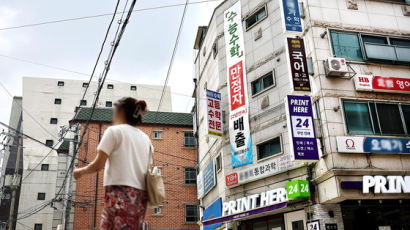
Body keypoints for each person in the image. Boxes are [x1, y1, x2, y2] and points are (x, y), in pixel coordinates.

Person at [73, 97, 152, 230]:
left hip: (118, 193)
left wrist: (80, 171)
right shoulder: (146, 139)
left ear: (121, 111)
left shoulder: (114, 131)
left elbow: (98, 165)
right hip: (140, 197)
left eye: (115, 110)